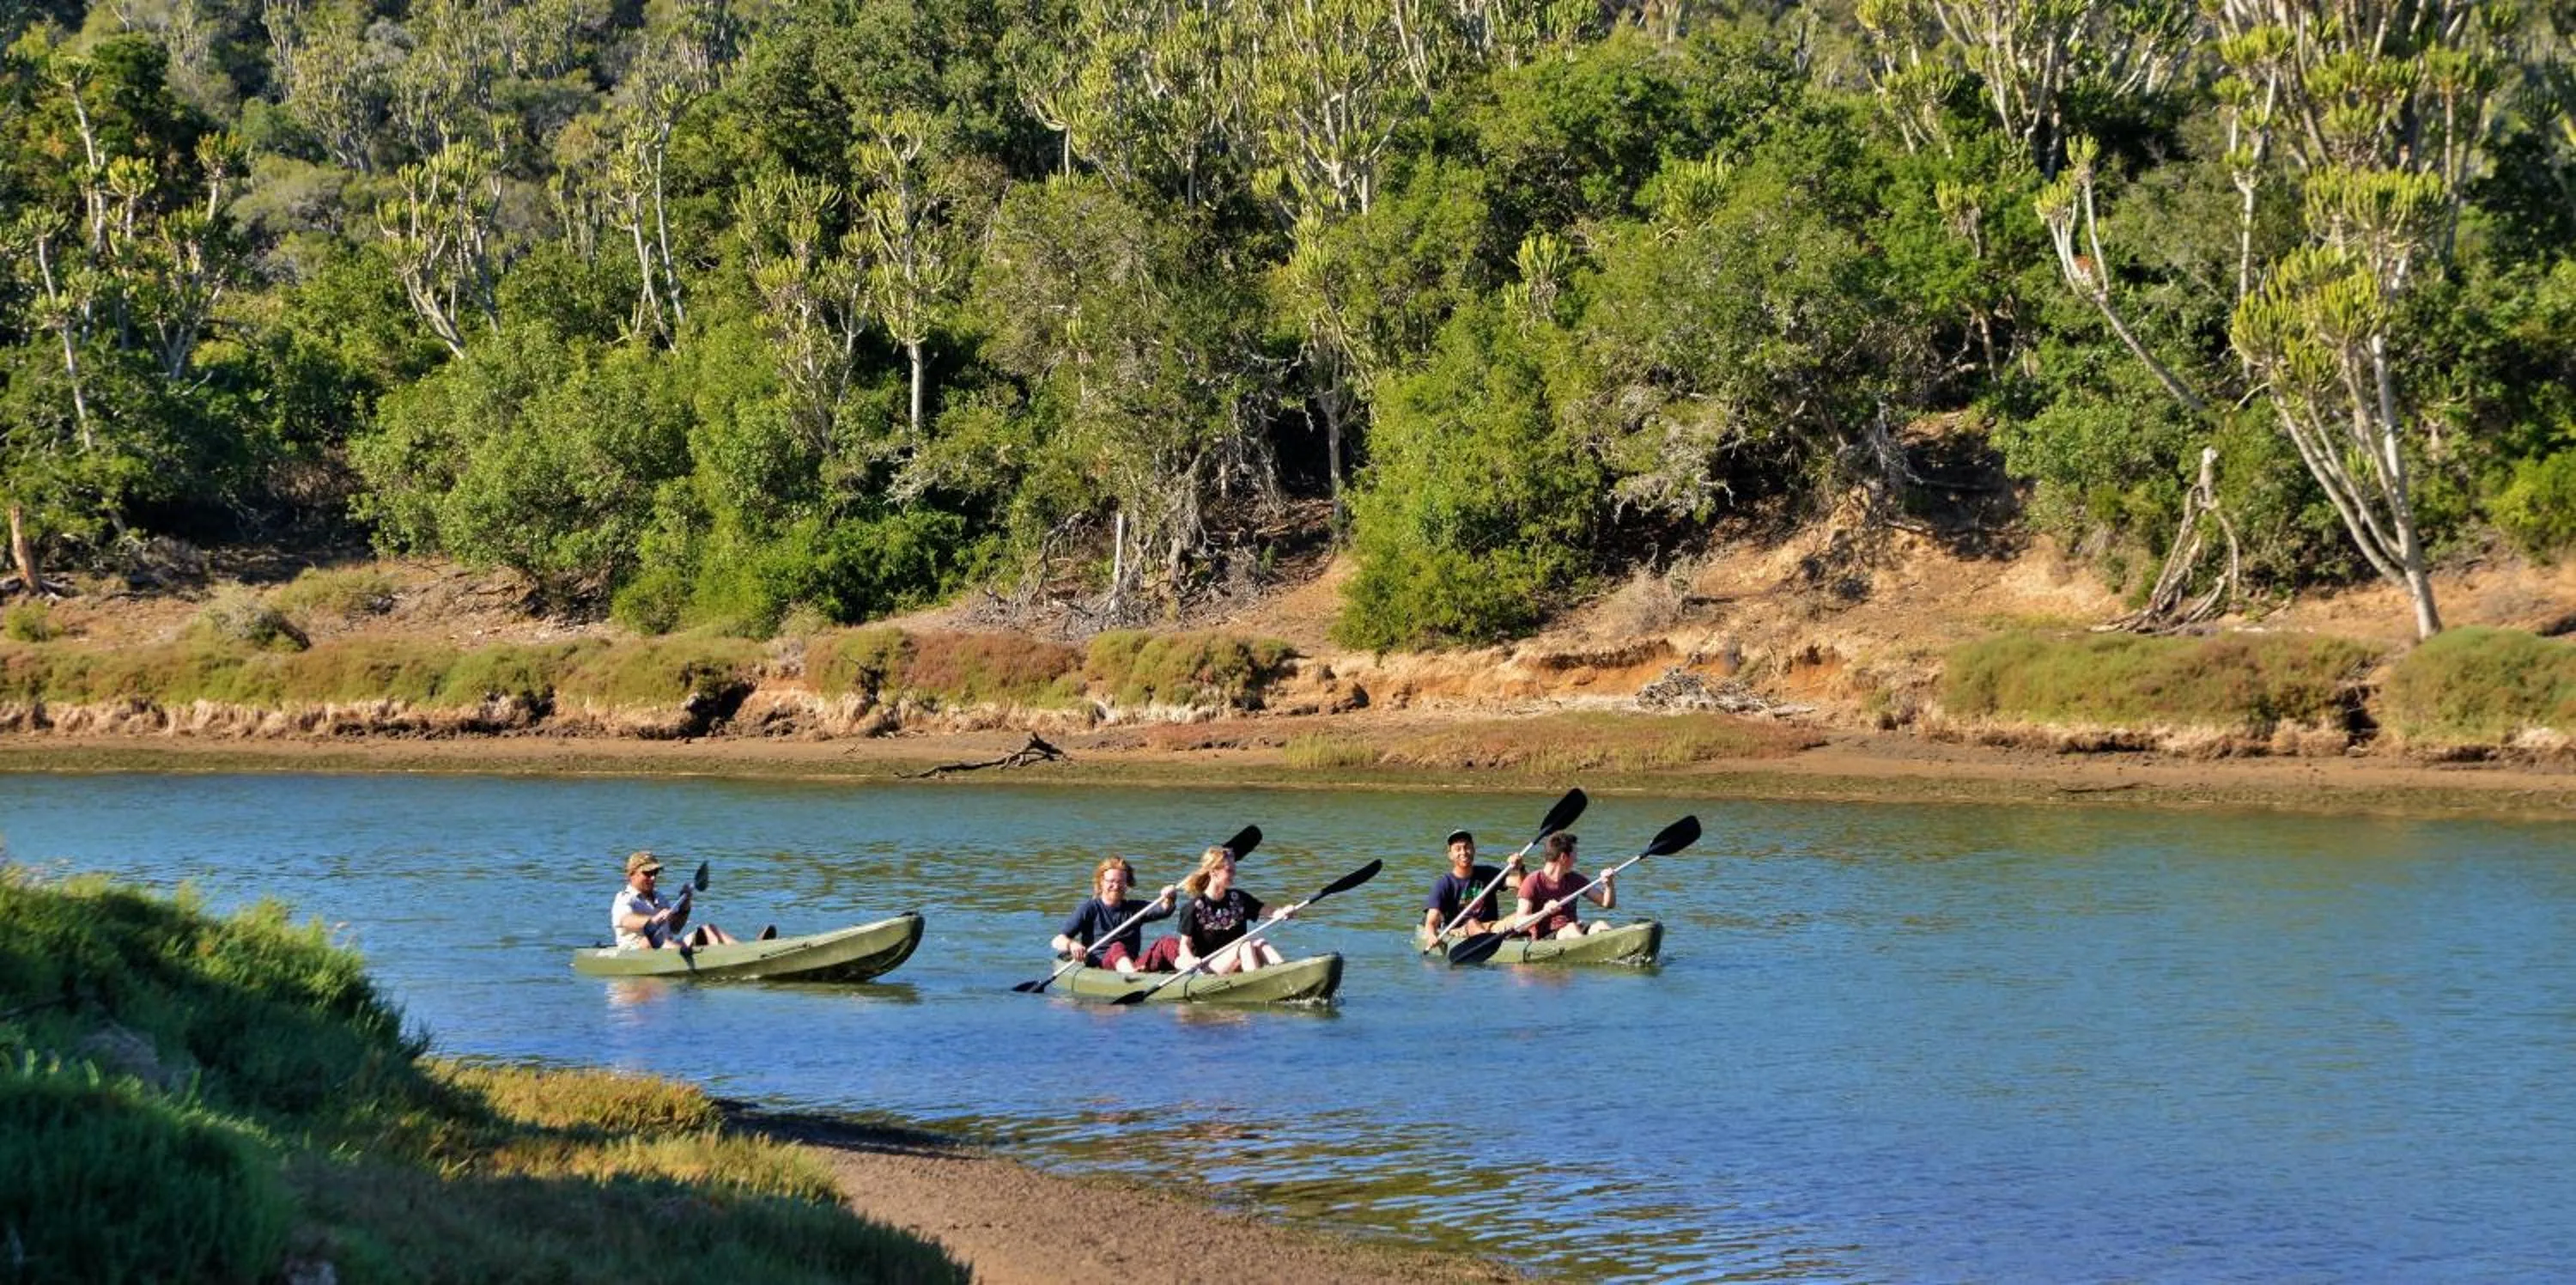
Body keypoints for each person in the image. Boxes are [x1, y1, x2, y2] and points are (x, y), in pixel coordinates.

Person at [1140, 844, 1291, 974]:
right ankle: (1259, 984)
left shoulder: (1239, 898)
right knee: (1244, 945)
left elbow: (1268, 911)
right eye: (1229, 870)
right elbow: (1184, 945)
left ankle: (1286, 972)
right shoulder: (1192, 908)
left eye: (1234, 870)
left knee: (1259, 942)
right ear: (1214, 872)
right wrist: (1190, 960)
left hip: (1236, 960)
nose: (1234, 874)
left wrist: (1282, 913)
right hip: (1207, 969)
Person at [1049, 856, 1177, 974]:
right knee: (1117, 946)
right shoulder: (1089, 908)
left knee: (1167, 942)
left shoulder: (1135, 908)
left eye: (1121, 882)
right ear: (1101, 882)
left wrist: (1169, 898)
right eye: (1111, 881)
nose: (1116, 886)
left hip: (1134, 965)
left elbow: (1164, 909)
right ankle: (1132, 975)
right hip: (1102, 966)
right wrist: (1072, 945)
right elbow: (1057, 941)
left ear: (1127, 884)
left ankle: (1189, 969)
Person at [611, 850, 741, 950]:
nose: (653, 878)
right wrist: (652, 920)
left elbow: (675, 928)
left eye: (655, 873)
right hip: (637, 951)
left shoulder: (659, 897)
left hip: (665, 946)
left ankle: (743, 951)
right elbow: (626, 920)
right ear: (632, 874)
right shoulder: (624, 898)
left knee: (709, 929)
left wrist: (685, 903)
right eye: (647, 873)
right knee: (653, 939)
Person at [1421, 829, 1524, 945]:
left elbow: (1523, 885)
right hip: (1460, 932)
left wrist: (1520, 868)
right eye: (1458, 849)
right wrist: (1431, 936)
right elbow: (1431, 921)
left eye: (1467, 847)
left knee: (1525, 914)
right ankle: (1491, 943)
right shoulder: (1444, 884)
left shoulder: (1489, 873)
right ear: (1450, 855)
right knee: (1472, 923)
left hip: (1492, 927)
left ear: (1474, 850)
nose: (1464, 852)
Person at [1505, 831, 1614, 940]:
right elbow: (1519, 925)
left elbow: (1607, 903)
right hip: (1546, 938)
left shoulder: (1575, 879)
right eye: (1574, 855)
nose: (1576, 860)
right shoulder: (1533, 881)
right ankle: (1592, 953)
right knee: (1571, 928)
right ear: (1563, 857)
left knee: (1601, 925)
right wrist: (1544, 912)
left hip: (1575, 931)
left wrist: (1609, 884)